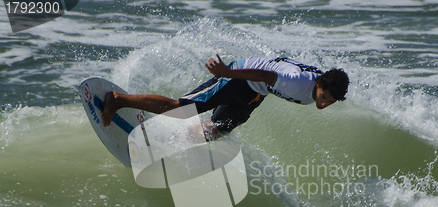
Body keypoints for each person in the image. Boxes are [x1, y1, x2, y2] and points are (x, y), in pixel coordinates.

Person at [102, 55, 349, 140]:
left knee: (214, 131)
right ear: (318, 84)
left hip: (254, 93)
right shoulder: (297, 83)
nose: (323, 103)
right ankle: (118, 99)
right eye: (323, 96)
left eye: (330, 101)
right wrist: (227, 72)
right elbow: (265, 75)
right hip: (240, 77)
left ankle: (168, 141)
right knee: (181, 109)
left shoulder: (323, 84)